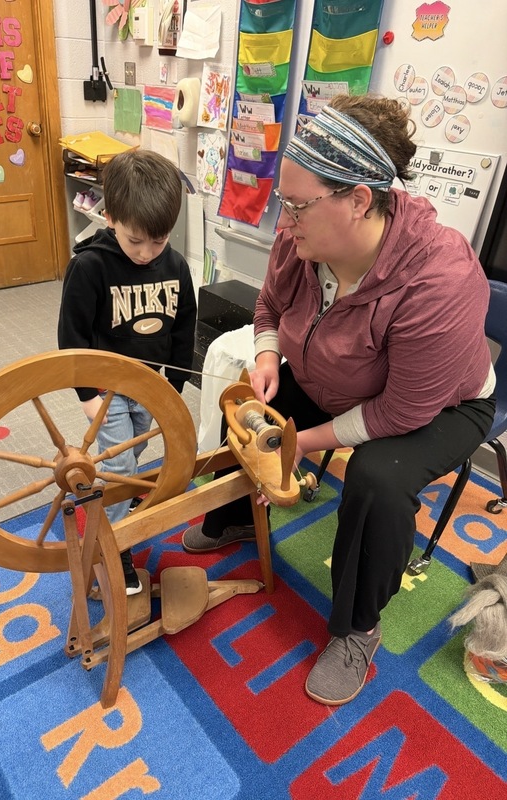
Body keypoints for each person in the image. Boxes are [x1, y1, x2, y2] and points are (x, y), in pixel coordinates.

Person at [182, 94, 496, 705]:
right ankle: (238, 518)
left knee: (378, 480)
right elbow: (270, 306)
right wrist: (267, 358)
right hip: (338, 374)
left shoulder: (440, 278)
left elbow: (401, 411)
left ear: (358, 200)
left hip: (441, 405)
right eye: (284, 202)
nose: (285, 220)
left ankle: (357, 629)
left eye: (297, 205)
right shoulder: (301, 238)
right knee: (249, 410)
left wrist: (300, 441)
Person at [59, 149, 197, 595]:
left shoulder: (176, 266)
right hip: (106, 390)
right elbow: (72, 337)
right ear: (110, 217)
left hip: (151, 385)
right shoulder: (90, 267)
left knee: (134, 450)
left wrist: (173, 388)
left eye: (158, 241)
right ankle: (117, 543)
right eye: (135, 240)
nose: (145, 252)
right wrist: (86, 395)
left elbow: (184, 328)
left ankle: (122, 491)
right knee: (118, 462)